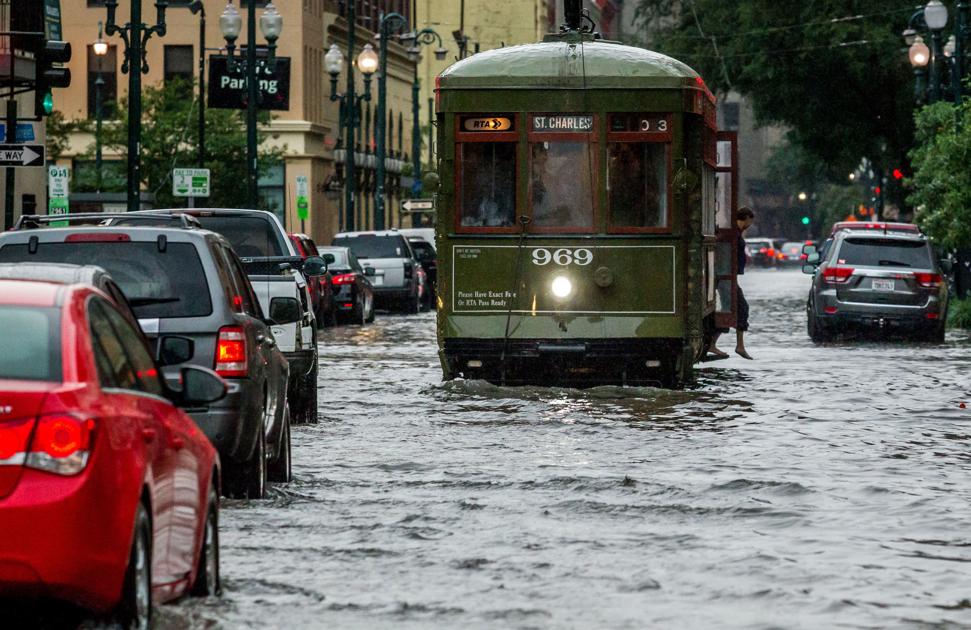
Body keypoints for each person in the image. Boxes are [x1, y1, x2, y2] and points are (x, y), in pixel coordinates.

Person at [709, 206, 755, 360]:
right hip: (726, 278)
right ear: (747, 218)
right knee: (736, 308)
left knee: (734, 308)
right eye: (750, 220)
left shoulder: (736, 233)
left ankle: (735, 345)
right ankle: (734, 345)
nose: (750, 224)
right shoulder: (733, 233)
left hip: (729, 277)